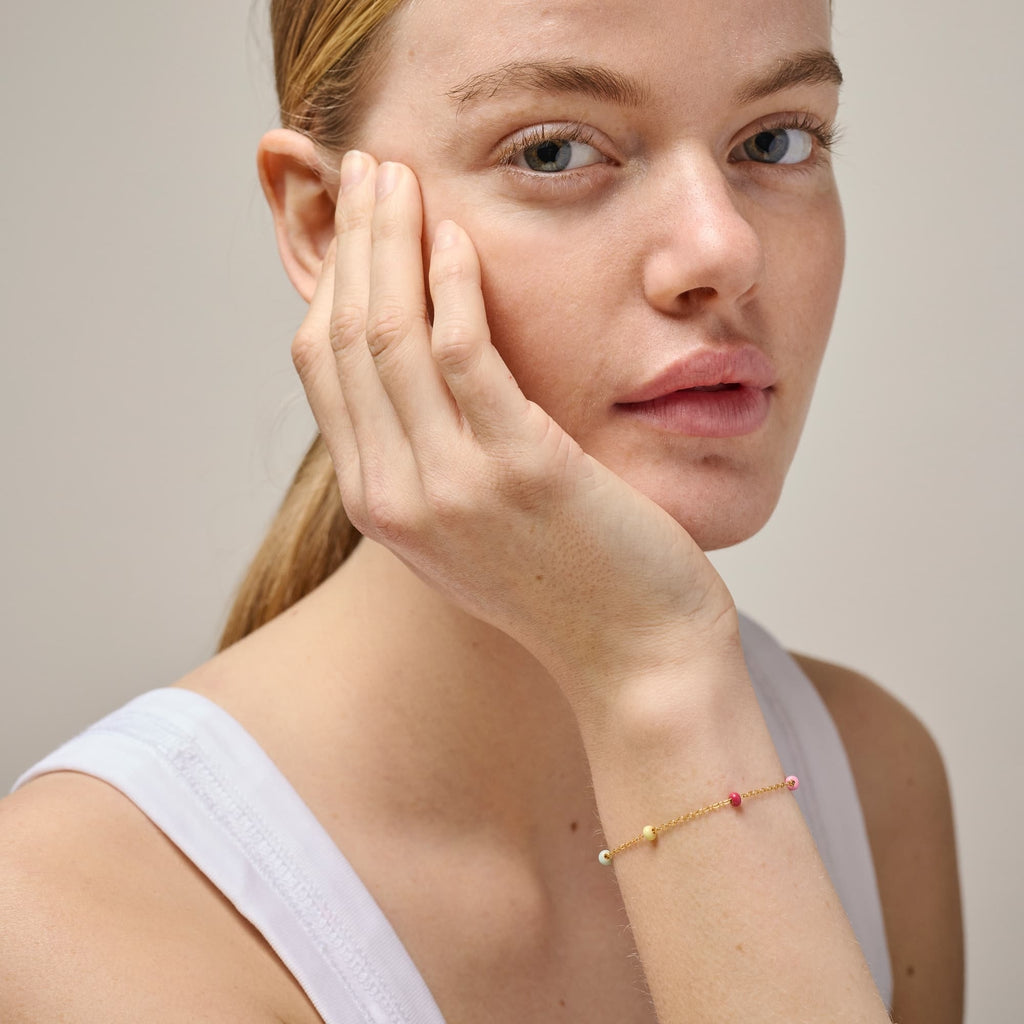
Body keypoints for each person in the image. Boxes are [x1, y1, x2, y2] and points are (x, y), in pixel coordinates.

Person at [0, 0, 963, 1020]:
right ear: (324, 225)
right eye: (552, 151)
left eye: (776, 139)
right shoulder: (77, 908)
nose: (722, 249)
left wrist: (666, 686)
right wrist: (652, 667)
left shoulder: (873, 778)